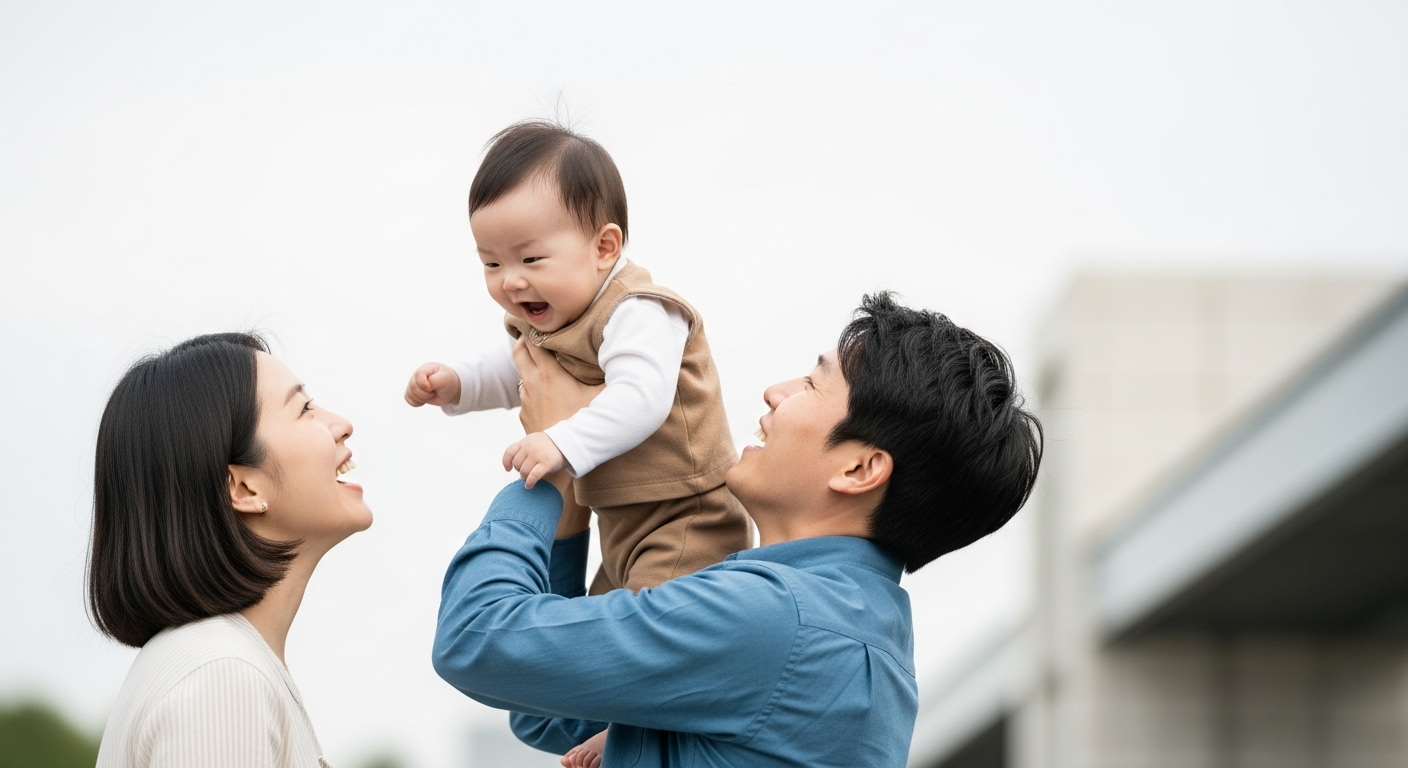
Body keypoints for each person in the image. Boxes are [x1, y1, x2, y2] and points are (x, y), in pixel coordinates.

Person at [432, 293, 1043, 767]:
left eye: (812, 382)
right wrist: (566, 481)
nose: (775, 392)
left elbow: (477, 637)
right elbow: (551, 713)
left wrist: (553, 449)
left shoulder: (774, 620)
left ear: (860, 468)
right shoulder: (838, 622)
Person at [91, 333, 371, 768]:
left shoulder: (225, 662)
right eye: (304, 409)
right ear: (242, 487)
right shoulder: (222, 675)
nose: (341, 423)